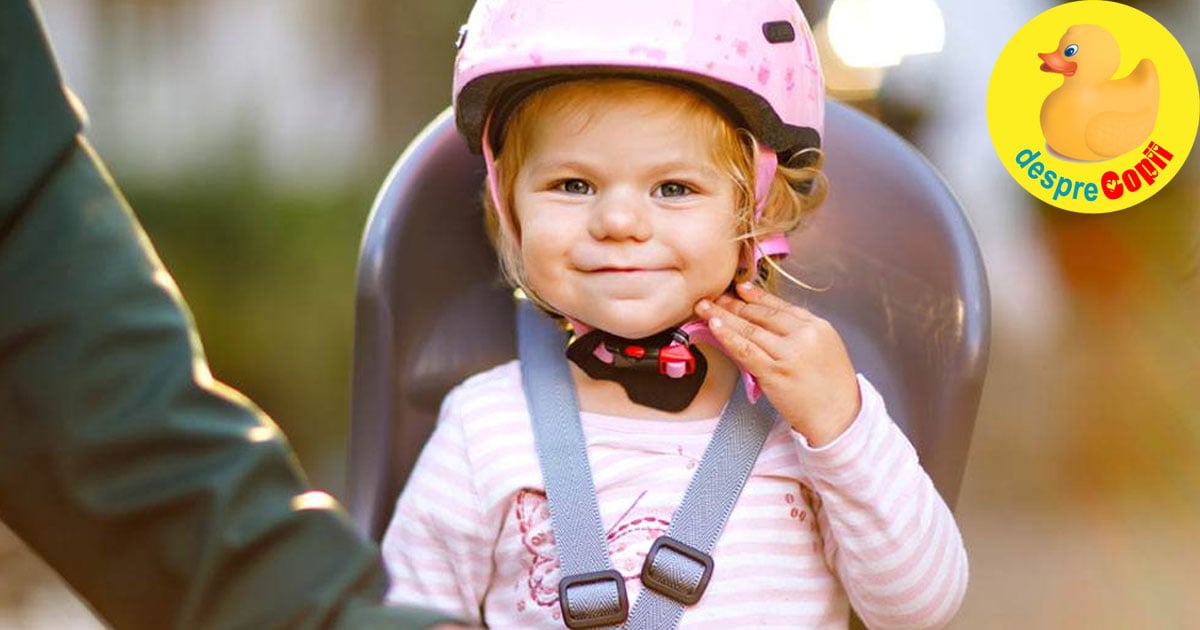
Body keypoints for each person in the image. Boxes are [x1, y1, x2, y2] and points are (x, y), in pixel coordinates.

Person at [382, 0, 968, 628]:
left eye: (674, 188)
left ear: (758, 212)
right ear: (510, 207)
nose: (619, 223)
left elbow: (917, 611)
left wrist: (840, 425)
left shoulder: (809, 425)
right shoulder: (484, 428)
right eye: (573, 185)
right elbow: (411, 613)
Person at [0, 1, 470, 627]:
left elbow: (70, 353)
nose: (618, 224)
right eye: (572, 186)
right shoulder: (473, 435)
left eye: (655, 188)